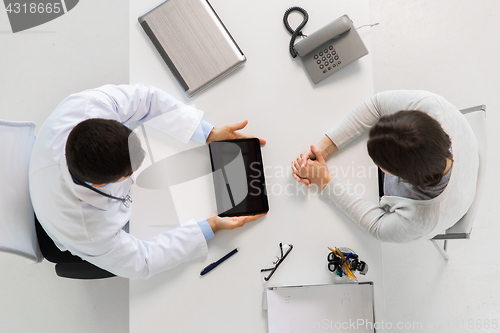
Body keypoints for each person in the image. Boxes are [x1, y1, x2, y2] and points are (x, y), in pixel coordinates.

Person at [29, 84, 266, 279]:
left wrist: (208, 133)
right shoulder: (89, 229)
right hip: (60, 227)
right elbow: (143, 261)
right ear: (101, 185)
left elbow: (146, 100)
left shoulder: (87, 106)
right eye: (128, 174)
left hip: (43, 179)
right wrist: (210, 226)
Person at [291, 90, 478, 243]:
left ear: (400, 176)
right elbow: (377, 105)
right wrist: (323, 149)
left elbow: (377, 226)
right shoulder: (430, 106)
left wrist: (324, 180)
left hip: (448, 202)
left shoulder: (421, 219)